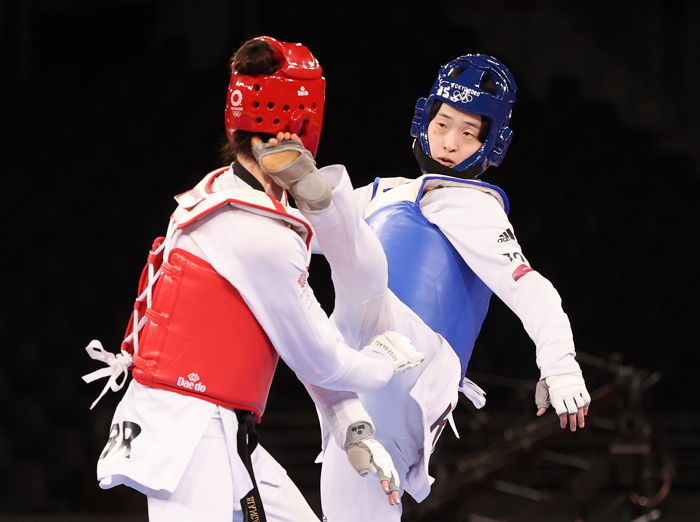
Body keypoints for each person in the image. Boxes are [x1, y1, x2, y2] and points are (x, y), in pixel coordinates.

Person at [81, 36, 423, 522]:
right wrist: (382, 363)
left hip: (221, 429)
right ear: (304, 124)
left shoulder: (230, 191)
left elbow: (303, 332)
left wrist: (351, 423)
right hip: (189, 436)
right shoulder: (256, 231)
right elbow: (320, 356)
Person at [249, 53, 591, 521]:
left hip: (413, 366)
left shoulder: (474, 205)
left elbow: (530, 289)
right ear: (423, 119)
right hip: (361, 373)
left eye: (468, 133)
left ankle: (319, 201)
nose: (449, 142)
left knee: (350, 255)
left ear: (491, 146)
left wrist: (561, 363)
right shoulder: (387, 192)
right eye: (444, 123)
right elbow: (292, 239)